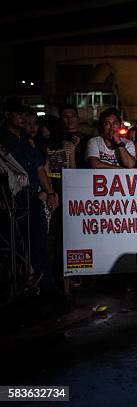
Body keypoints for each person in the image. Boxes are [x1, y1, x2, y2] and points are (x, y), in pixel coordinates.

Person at [1, 97, 58, 291]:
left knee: (39, 239)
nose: (22, 119)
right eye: (18, 114)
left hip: (31, 198)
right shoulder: (3, 140)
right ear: (7, 115)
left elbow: (39, 168)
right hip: (9, 200)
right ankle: (21, 280)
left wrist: (50, 192)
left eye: (24, 114)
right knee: (15, 243)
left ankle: (44, 281)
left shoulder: (28, 142)